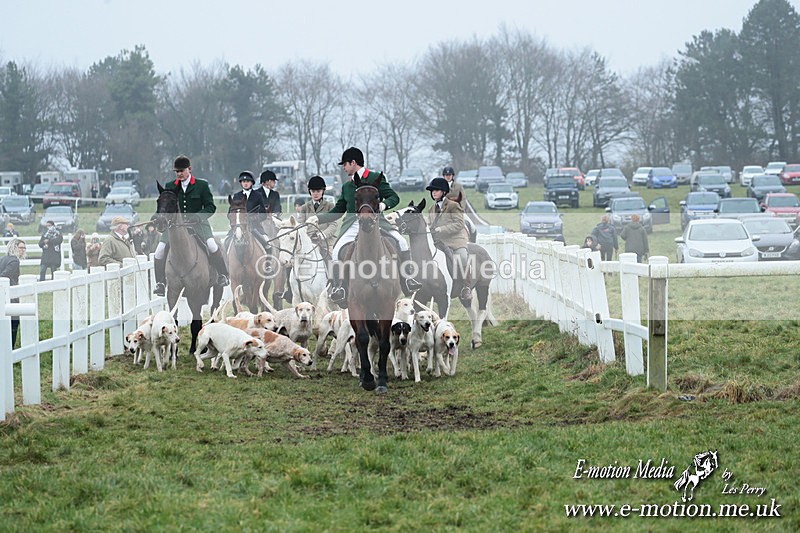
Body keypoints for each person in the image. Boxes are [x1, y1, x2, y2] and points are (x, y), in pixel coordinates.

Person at [307, 146, 421, 305]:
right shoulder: (347, 186)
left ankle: (407, 279)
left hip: (377, 222)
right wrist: (318, 219)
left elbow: (393, 197)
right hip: (353, 224)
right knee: (337, 251)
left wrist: (383, 205)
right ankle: (339, 287)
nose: (344, 168)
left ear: (353, 163)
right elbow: (339, 209)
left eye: (345, 165)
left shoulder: (375, 177)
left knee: (401, 242)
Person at [152, 155, 229, 296]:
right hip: (174, 228)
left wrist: (198, 216)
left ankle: (222, 275)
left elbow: (211, 207)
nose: (179, 174)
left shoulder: (201, 185)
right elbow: (165, 206)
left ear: (189, 169)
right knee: (159, 250)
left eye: (182, 170)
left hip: (198, 226)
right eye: (177, 171)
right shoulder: (170, 186)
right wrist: (158, 217)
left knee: (212, 245)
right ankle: (161, 283)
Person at [426, 177, 473, 300]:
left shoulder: (453, 206)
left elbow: (459, 224)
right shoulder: (431, 209)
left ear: (444, 192)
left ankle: (466, 286)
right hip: (439, 242)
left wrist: (442, 229)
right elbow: (430, 224)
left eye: (436, 190)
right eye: (432, 191)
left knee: (462, 257)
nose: (433, 193)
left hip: (455, 241)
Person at [226, 171, 272, 252]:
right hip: (238, 226)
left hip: (254, 226)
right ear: (241, 183)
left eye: (247, 181)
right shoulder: (236, 196)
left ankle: (268, 264)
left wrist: (254, 218)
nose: (245, 183)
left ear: (252, 183)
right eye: (243, 182)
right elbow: (230, 213)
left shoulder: (258, 195)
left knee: (267, 243)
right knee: (225, 242)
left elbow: (263, 214)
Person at [298, 175, 338, 261]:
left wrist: (323, 235)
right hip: (309, 243)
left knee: (334, 263)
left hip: (326, 243)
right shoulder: (305, 207)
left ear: (323, 191)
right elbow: (300, 225)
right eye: (313, 191)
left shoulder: (330, 206)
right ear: (310, 191)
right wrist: (308, 235)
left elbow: (333, 225)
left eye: (318, 191)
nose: (315, 193)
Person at [0, 238, 25, 347]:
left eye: (24, 248)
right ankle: (11, 348)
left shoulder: (3, 259)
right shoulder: (14, 261)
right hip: (11, 296)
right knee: (14, 323)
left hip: (4, 294)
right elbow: (4, 275)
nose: (23, 250)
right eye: (21, 247)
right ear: (14, 247)